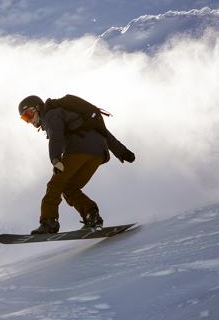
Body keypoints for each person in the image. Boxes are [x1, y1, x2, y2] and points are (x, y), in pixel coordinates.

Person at [18, 95, 135, 234]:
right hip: (98, 153)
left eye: (29, 114)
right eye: (25, 118)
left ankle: (48, 222)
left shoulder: (50, 114)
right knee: (69, 187)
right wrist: (121, 151)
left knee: (55, 185)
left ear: (38, 108)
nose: (29, 120)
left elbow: (56, 135)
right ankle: (91, 215)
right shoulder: (67, 113)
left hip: (80, 149)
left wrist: (55, 159)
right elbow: (101, 131)